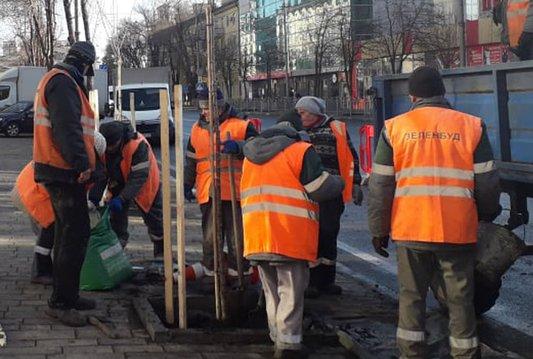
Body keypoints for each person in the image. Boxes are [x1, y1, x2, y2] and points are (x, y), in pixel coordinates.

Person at [368, 66, 501, 359]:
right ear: (442, 92)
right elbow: (488, 180)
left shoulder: (394, 129)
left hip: (411, 229)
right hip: (457, 231)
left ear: (412, 95)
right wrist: (486, 216)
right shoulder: (471, 126)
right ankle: (464, 354)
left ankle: (412, 354)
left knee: (412, 297)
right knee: (460, 299)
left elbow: (380, 185)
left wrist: (378, 230)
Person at [242, 111, 344, 358]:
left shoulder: (250, 155)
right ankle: (288, 347)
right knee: (291, 291)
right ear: (297, 131)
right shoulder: (300, 150)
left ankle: (277, 338)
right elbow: (318, 188)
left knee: (271, 291)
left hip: (257, 234)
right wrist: (340, 182)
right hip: (288, 234)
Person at [32, 41, 98, 327]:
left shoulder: (59, 79)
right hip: (62, 170)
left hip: (58, 169)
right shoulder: (63, 82)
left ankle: (67, 296)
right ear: (85, 64)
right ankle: (61, 301)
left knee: (67, 234)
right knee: (75, 234)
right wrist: (82, 165)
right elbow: (67, 129)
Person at [12, 132, 107, 285]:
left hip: (31, 188)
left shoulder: (72, 149)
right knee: (51, 228)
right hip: (32, 192)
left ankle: (48, 269)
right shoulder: (75, 158)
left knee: (54, 229)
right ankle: (40, 272)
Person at [184, 84, 258, 278]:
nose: (204, 112)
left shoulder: (241, 125)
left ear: (219, 106)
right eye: (201, 107)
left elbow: (258, 149)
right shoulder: (196, 129)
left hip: (236, 191)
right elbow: (191, 160)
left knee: (237, 237)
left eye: (207, 107)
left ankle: (238, 272)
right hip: (209, 191)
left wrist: (240, 147)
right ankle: (211, 271)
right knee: (210, 237)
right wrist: (187, 183)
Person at [295, 96, 363, 298]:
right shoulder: (298, 132)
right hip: (308, 193)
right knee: (312, 235)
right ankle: (313, 282)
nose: (301, 116)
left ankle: (327, 281)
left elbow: (351, 157)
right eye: (299, 113)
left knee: (329, 233)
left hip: (332, 191)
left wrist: (356, 183)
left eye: (304, 113)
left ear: (315, 114)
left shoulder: (336, 128)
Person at [98, 121, 163, 257]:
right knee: (116, 219)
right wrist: (96, 197)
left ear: (120, 140)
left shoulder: (137, 145)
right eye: (107, 147)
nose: (109, 149)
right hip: (119, 179)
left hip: (146, 182)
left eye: (112, 146)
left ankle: (161, 253)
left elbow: (139, 177)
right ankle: (117, 252)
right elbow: (101, 173)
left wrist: (122, 198)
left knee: (154, 219)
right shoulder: (103, 146)